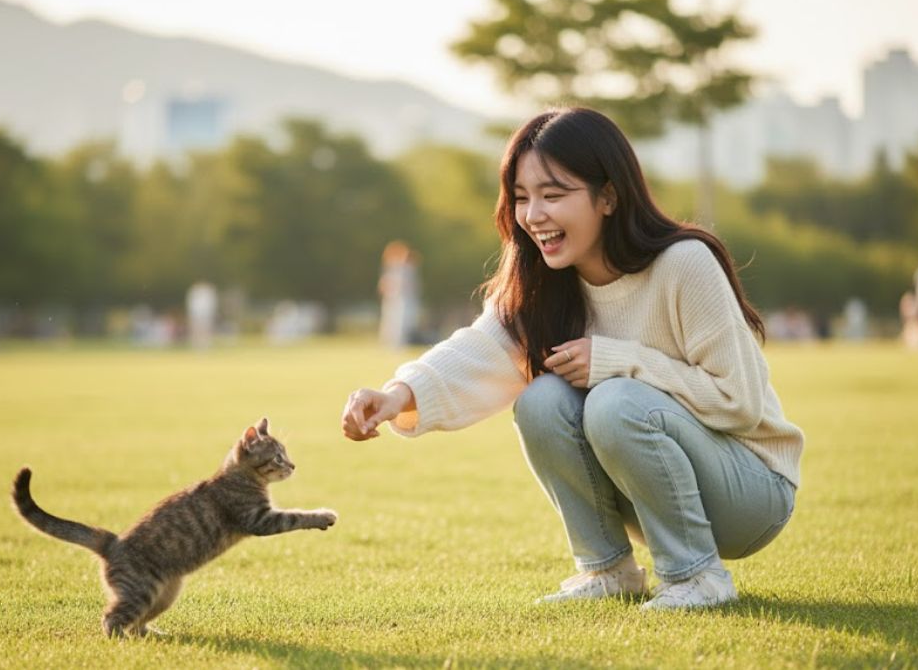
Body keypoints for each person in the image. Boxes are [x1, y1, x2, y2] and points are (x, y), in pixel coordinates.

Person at [340, 108, 803, 611]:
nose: (533, 215)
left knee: (614, 401)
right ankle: (607, 570)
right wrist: (395, 394)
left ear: (608, 196)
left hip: (751, 490)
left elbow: (739, 401)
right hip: (655, 489)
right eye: (522, 198)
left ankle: (698, 578)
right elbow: (483, 346)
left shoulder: (683, 264)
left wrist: (617, 361)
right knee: (541, 400)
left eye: (553, 195)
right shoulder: (544, 282)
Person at [378, 241, 421, 348]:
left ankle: (400, 343)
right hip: (392, 298)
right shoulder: (391, 267)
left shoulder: (407, 268)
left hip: (404, 299)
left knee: (402, 322)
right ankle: (389, 343)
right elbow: (384, 283)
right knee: (390, 321)